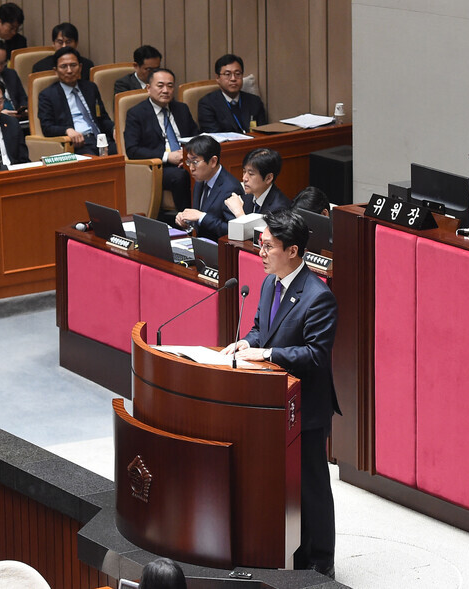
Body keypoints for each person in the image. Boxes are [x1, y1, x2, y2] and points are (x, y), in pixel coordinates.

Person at [223, 209, 340, 579]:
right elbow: (262, 331)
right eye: (261, 244)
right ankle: (293, 549)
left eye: (269, 246)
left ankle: (322, 559)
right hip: (273, 402)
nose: (261, 252)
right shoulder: (270, 283)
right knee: (282, 483)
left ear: (292, 251)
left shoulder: (318, 296)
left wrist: (266, 353)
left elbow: (316, 356)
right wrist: (246, 343)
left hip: (306, 407)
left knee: (311, 486)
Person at [123, 67, 198, 210]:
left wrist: (189, 157)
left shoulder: (181, 109)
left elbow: (196, 137)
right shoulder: (136, 113)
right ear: (148, 88)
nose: (165, 90)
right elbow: (133, 150)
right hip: (158, 167)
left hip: (187, 160)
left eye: (170, 86)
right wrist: (167, 157)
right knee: (181, 176)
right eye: (160, 86)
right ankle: (187, 220)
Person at [38, 47, 116, 156]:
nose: (69, 71)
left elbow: (102, 117)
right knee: (92, 163)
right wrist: (67, 130)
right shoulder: (48, 95)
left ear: (80, 67)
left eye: (73, 65)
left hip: (102, 140)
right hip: (79, 144)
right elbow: (47, 127)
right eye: (64, 66)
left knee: (125, 153)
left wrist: (114, 129)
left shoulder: (90, 88)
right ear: (55, 71)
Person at [175, 135, 245, 241]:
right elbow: (199, 220)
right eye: (188, 162)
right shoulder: (201, 179)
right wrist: (187, 221)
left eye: (195, 162)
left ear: (213, 161)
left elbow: (233, 231)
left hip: (219, 251)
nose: (191, 168)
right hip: (201, 245)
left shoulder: (231, 188)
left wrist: (202, 217)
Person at [197, 54, 267, 134]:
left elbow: (263, 131)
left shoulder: (254, 101)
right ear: (217, 78)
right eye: (227, 74)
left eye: (237, 74)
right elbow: (214, 137)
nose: (233, 79)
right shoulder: (207, 104)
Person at [225, 147, 289, 218]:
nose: (244, 178)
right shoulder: (247, 197)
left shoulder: (280, 209)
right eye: (244, 172)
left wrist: (240, 215)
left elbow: (260, 229)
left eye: (251, 174)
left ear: (268, 178)